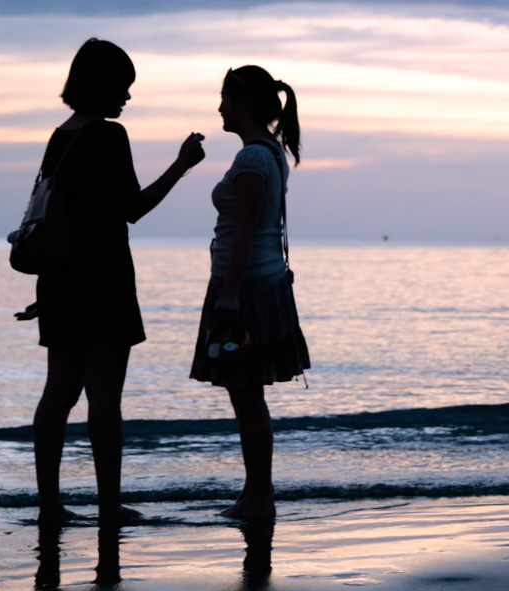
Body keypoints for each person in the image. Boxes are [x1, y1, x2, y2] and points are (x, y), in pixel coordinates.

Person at [30, 38, 205, 524]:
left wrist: (46, 286)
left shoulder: (60, 136)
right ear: (102, 85)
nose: (126, 97)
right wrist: (181, 166)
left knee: (58, 394)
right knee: (104, 397)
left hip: (59, 280)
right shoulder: (109, 136)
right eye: (123, 87)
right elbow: (133, 209)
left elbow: (53, 216)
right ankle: (109, 508)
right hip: (102, 279)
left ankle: (50, 506)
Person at [192, 64, 310, 519]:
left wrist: (229, 296)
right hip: (255, 283)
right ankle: (255, 492)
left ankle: (259, 495)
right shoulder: (266, 153)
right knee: (247, 393)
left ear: (241, 103)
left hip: (246, 289)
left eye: (224, 99)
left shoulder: (254, 158)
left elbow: (243, 233)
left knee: (246, 394)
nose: (219, 107)